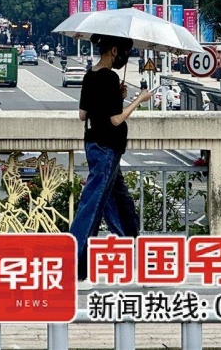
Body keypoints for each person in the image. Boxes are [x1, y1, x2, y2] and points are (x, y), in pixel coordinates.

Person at [69, 35, 153, 282]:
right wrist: (138, 99)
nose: (124, 57)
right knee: (93, 204)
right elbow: (116, 119)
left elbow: (84, 115)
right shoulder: (109, 77)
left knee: (119, 201)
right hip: (108, 147)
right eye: (123, 52)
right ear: (114, 50)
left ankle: (131, 250)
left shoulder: (90, 75)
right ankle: (73, 261)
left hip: (95, 144)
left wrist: (118, 96)